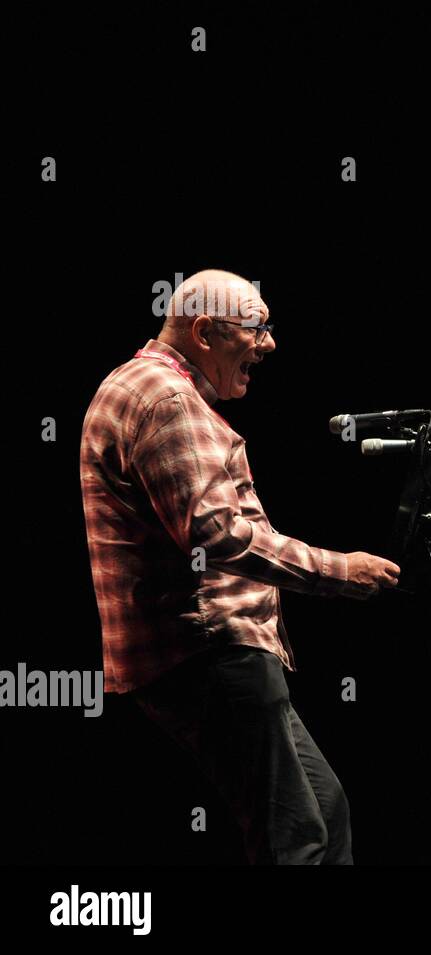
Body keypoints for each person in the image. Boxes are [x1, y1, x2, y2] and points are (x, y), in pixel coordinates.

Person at [80, 269, 401, 864]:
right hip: (207, 652)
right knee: (295, 838)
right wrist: (338, 571)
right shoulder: (168, 397)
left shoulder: (145, 387)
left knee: (322, 813)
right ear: (204, 331)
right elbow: (215, 534)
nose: (270, 342)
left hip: (204, 655)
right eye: (256, 328)